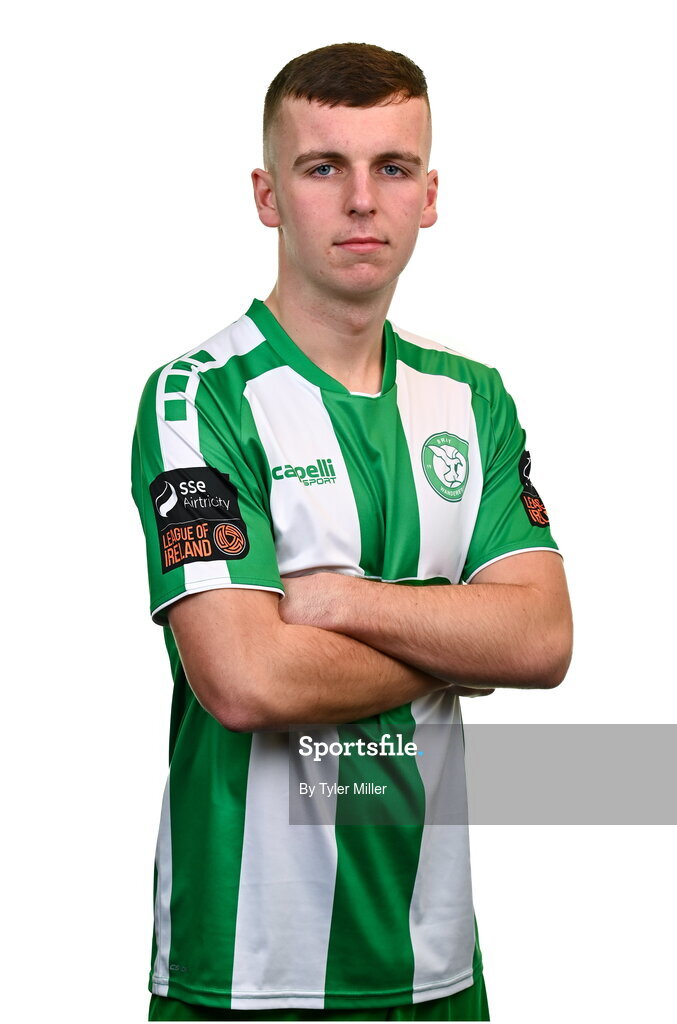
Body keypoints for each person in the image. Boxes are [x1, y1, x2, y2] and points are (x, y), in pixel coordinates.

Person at [131, 42, 573, 1023]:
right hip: (245, 969)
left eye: (392, 167)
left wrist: (343, 603)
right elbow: (246, 680)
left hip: (434, 963)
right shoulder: (200, 399)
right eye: (323, 166)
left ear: (428, 195)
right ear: (267, 195)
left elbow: (542, 639)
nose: (361, 198)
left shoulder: (473, 400)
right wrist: (458, 640)